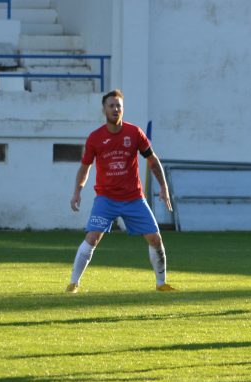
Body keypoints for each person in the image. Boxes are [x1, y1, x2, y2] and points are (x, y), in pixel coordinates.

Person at [67, 89, 174, 293]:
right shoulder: (95, 138)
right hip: (106, 198)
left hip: (133, 198)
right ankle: (73, 283)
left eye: (119, 106)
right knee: (92, 238)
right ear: (104, 109)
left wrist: (163, 187)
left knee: (155, 239)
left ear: (122, 110)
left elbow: (152, 160)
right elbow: (85, 166)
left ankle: (161, 284)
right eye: (111, 106)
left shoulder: (134, 133)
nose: (115, 109)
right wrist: (77, 191)